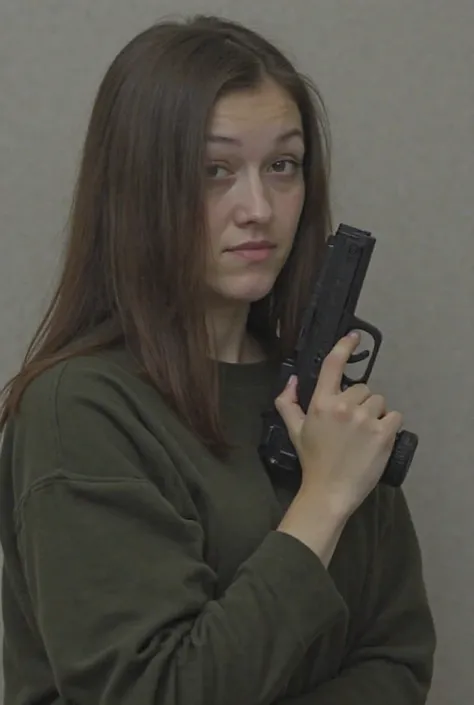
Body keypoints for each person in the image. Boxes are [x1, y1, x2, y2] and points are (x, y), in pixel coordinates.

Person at [0, 14, 435, 705]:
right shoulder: (77, 410)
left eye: (282, 165)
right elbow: (156, 691)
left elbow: (398, 660)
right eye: (214, 171)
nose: (258, 207)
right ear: (139, 188)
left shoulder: (324, 400)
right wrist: (323, 501)